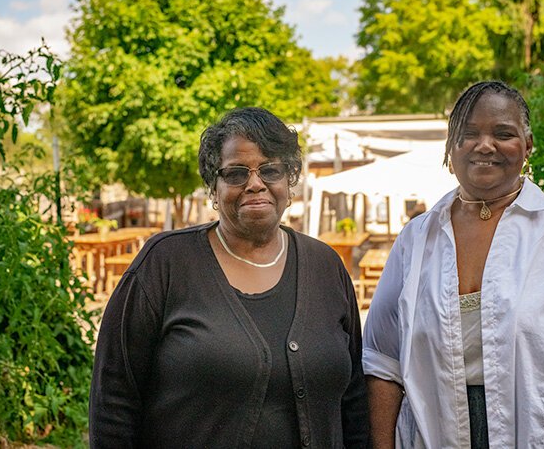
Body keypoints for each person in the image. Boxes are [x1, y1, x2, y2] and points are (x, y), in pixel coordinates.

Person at [363, 81, 544, 448]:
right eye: (468, 134)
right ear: (451, 147)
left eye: (503, 133)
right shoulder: (417, 238)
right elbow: (383, 363)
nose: (485, 145)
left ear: (527, 145)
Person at [89, 107, 368, 448]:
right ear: (213, 186)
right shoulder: (165, 264)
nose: (255, 183)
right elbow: (114, 399)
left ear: (289, 181)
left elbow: (355, 399)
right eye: (236, 173)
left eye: (270, 170)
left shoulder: (326, 266)